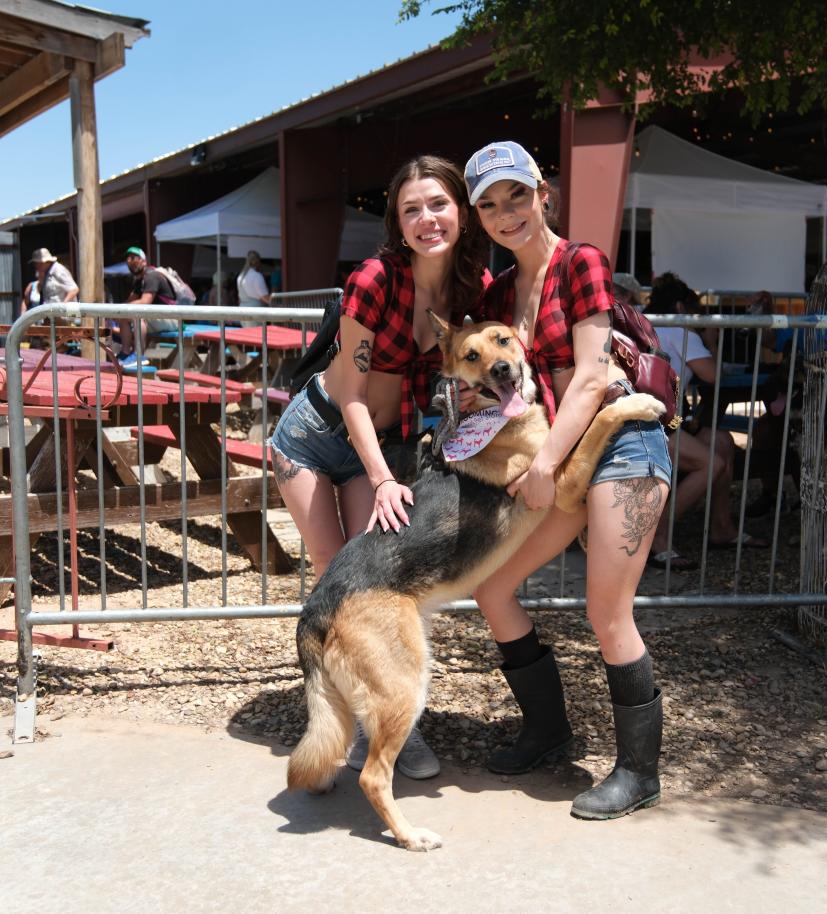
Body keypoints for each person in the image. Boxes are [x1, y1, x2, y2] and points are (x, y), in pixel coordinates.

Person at [462, 140, 672, 820]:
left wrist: (545, 466)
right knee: (492, 588)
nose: (505, 214)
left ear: (541, 194)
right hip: (557, 460)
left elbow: (590, 375)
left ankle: (639, 772)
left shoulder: (580, 262)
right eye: (489, 205)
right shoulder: (496, 291)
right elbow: (504, 388)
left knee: (606, 612)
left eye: (515, 196)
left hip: (618, 444)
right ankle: (549, 732)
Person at [269, 154, 490, 780]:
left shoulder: (469, 288)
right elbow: (353, 393)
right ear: (397, 219)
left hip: (384, 446)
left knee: (374, 591)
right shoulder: (376, 278)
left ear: (462, 211)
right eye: (411, 208)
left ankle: (385, 732)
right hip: (316, 436)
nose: (427, 219)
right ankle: (346, 730)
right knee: (336, 579)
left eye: (438, 204)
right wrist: (386, 478)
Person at [645, 273, 768, 569]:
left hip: (648, 417)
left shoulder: (645, 322)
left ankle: (721, 529)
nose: (699, 317)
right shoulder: (681, 332)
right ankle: (656, 537)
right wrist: (710, 338)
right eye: (695, 310)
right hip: (652, 424)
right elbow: (713, 375)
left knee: (722, 441)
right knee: (710, 463)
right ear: (680, 306)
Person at [118, 246, 180, 366]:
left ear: (143, 261)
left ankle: (138, 356)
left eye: (134, 258)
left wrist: (120, 309)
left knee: (138, 316)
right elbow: (130, 302)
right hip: (158, 318)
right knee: (123, 317)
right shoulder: (139, 281)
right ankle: (125, 353)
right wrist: (117, 312)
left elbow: (144, 302)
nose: (130, 262)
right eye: (128, 259)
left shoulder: (152, 276)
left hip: (172, 319)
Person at [236, 250, 271, 325]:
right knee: (257, 336)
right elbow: (264, 297)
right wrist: (275, 303)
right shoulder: (257, 276)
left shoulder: (240, 276)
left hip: (242, 310)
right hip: (255, 311)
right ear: (257, 262)